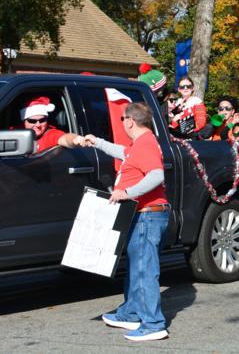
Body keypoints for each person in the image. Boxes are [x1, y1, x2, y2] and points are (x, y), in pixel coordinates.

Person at [83, 102, 170, 341]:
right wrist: (97, 142)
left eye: (123, 120)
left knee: (144, 271)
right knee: (137, 268)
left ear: (130, 121)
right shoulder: (140, 144)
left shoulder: (146, 143)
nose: (122, 123)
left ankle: (153, 324)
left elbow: (156, 174)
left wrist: (127, 192)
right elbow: (123, 153)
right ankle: (132, 313)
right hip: (144, 215)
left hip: (147, 215)